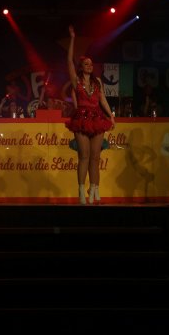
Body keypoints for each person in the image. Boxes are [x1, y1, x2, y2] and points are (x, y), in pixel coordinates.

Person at [65, 25, 115, 204]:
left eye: (91, 64)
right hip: (81, 118)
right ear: (81, 67)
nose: (90, 66)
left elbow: (103, 100)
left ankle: (94, 189)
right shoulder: (76, 81)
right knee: (84, 156)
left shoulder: (97, 81)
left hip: (97, 118)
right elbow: (69, 61)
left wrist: (111, 116)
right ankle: (81, 190)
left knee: (95, 157)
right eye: (86, 64)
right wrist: (72, 39)